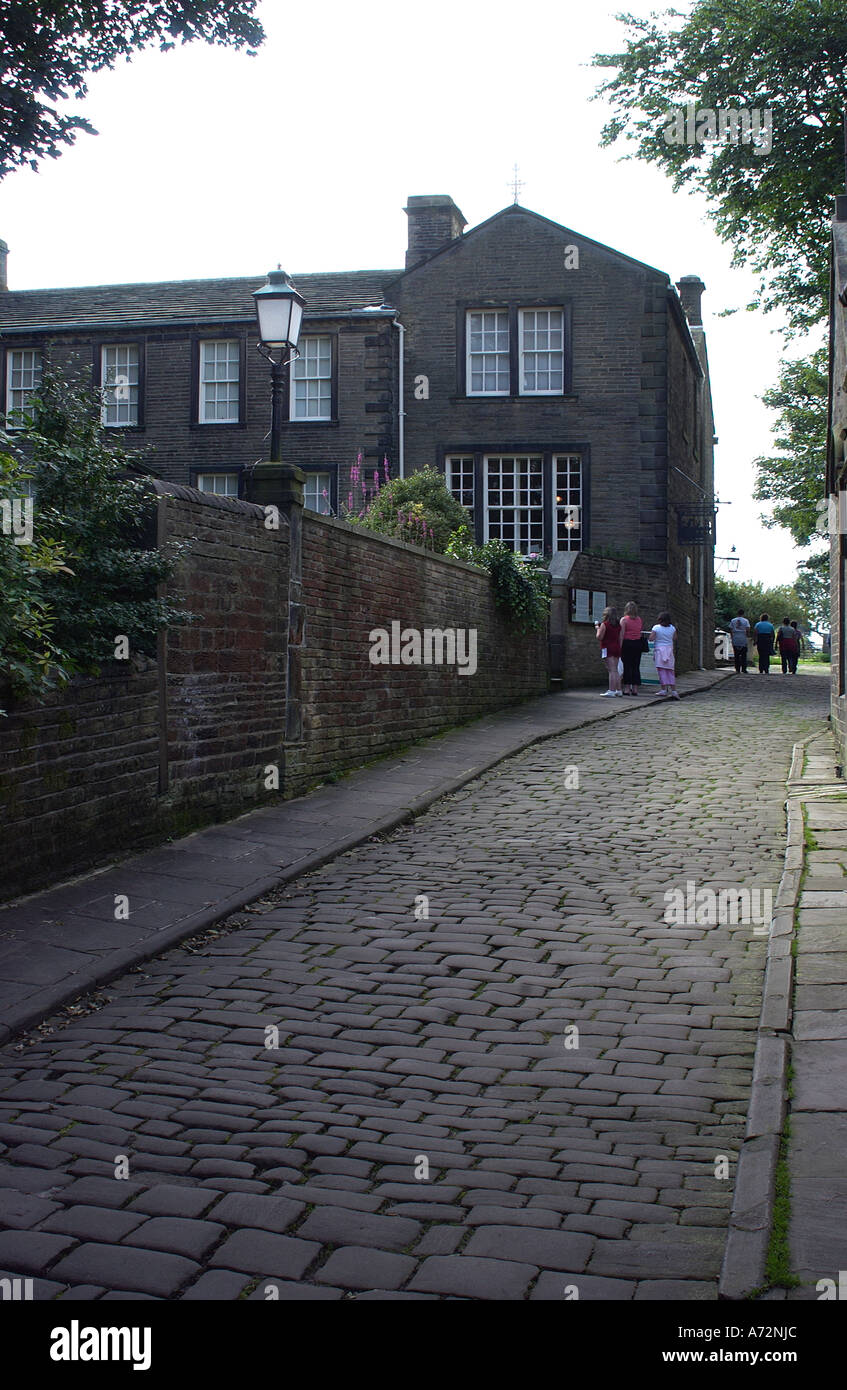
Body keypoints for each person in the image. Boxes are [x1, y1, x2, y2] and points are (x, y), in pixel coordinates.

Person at [650, 610, 679, 699]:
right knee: (670, 671)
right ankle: (673, 690)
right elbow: (675, 638)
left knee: (661, 671)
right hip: (669, 651)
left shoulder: (656, 628)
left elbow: (651, 638)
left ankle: (663, 689)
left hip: (659, 651)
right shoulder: (672, 628)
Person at [596, 605, 623, 696]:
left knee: (611, 670)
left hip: (607, 648)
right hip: (616, 647)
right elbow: (619, 637)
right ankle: (618, 690)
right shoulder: (618, 625)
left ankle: (611, 690)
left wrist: (597, 628)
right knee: (615, 670)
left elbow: (599, 637)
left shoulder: (605, 624)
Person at [619, 601, 644, 695]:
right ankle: (635, 689)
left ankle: (626, 689)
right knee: (636, 667)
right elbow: (640, 632)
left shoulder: (624, 620)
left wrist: (620, 647)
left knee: (627, 667)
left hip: (627, 644)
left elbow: (621, 635)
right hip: (638, 644)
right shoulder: (639, 619)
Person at [729, 608, 751, 673]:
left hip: (735, 637)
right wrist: (747, 636)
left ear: (737, 613)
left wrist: (732, 637)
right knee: (744, 654)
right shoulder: (746, 621)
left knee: (736, 654)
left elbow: (730, 629)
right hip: (743, 637)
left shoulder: (733, 620)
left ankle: (737, 669)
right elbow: (747, 629)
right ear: (743, 614)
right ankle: (744, 668)